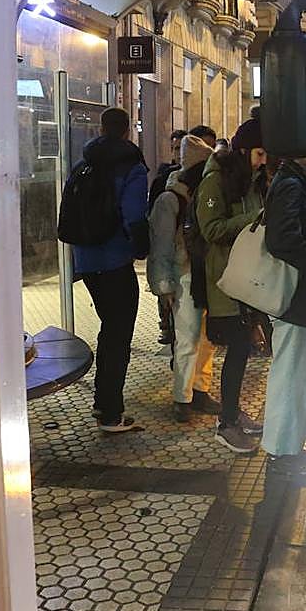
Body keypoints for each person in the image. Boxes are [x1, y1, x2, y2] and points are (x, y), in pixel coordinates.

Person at [72, 107, 149, 433]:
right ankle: (110, 413)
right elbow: (134, 215)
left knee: (109, 330)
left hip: (86, 261)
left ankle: (103, 402)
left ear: (101, 129)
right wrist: (141, 249)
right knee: (119, 336)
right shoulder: (132, 166)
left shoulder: (83, 164)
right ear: (127, 130)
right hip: (115, 261)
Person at [197, 117, 270, 453]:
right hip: (226, 279)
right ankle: (226, 424)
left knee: (242, 350)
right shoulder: (216, 180)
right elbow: (211, 229)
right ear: (243, 150)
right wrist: (253, 220)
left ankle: (232, 413)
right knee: (238, 348)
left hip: (248, 276)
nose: (263, 161)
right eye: (259, 154)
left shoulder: (252, 181)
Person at [147, 134, 222, 422]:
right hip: (185, 276)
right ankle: (183, 397)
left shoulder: (199, 195)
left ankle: (200, 390)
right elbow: (161, 247)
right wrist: (164, 287)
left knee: (206, 337)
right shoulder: (170, 200)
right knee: (187, 338)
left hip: (204, 274)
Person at [262, 150, 306, 477]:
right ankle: (282, 454)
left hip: (296, 295)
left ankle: (289, 448)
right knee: (291, 373)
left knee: (295, 372)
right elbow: (282, 240)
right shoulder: (291, 184)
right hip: (292, 294)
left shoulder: (291, 180)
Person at [149, 129, 190, 350]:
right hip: (173, 260)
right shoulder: (164, 182)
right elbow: (159, 235)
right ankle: (165, 324)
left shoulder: (195, 181)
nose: (178, 153)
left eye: (180, 148)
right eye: (175, 148)